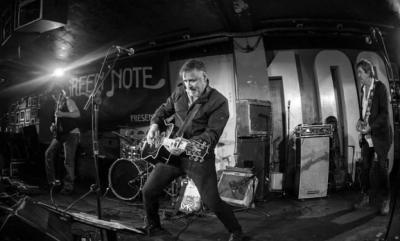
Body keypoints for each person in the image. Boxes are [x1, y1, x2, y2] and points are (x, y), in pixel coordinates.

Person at [141, 59, 243, 241]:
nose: (189, 85)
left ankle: (236, 232)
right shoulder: (180, 91)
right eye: (186, 80)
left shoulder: (219, 102)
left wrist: (187, 144)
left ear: (205, 77)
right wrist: (154, 126)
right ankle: (154, 227)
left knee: (212, 202)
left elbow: (211, 134)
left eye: (193, 80)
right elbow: (163, 110)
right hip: (173, 157)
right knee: (148, 190)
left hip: (198, 156)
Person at [354, 59, 392, 215]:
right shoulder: (363, 89)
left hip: (380, 137)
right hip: (367, 137)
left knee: (381, 168)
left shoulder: (380, 88)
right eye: (358, 73)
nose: (358, 76)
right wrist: (360, 121)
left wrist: (371, 126)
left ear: (368, 72)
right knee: (365, 168)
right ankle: (366, 196)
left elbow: (384, 114)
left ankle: (386, 199)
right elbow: (365, 112)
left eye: (360, 73)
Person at [44, 88, 80, 195]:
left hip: (72, 133)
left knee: (68, 161)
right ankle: (52, 182)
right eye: (53, 96)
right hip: (61, 134)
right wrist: (53, 126)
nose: (55, 97)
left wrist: (62, 114)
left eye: (56, 95)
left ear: (61, 94)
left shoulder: (68, 101)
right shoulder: (56, 106)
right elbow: (58, 122)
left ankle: (69, 187)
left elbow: (77, 114)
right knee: (48, 153)